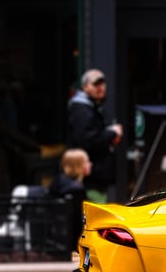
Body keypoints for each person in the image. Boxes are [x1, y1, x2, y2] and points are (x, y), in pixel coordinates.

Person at [66, 68, 122, 203]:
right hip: (89, 181)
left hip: (96, 179)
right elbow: (88, 141)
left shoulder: (92, 107)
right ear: (85, 87)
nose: (101, 87)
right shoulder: (82, 110)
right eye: (96, 84)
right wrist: (111, 133)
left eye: (102, 83)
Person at [49, 148, 91, 250]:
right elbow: (78, 223)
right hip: (72, 245)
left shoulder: (60, 183)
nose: (90, 164)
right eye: (87, 162)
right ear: (78, 166)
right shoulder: (76, 190)